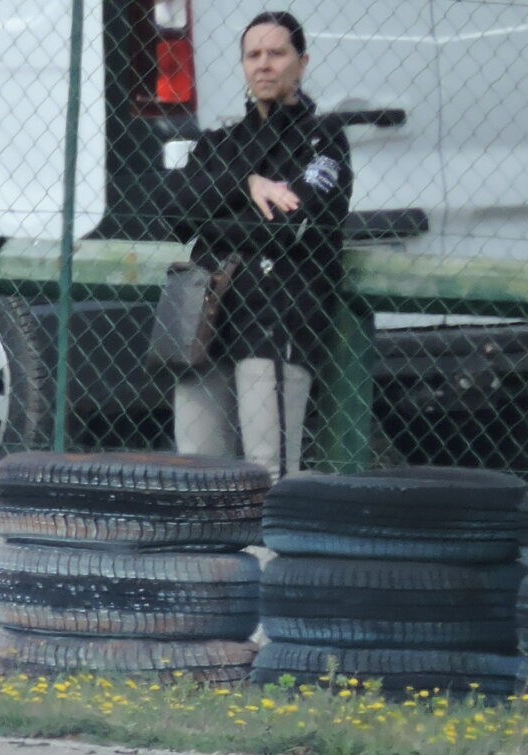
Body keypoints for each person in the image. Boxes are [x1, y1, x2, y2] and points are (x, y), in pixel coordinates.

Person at [164, 11, 350, 478]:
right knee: (197, 470)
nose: (264, 64)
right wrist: (246, 185)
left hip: (277, 316)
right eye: (253, 55)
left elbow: (292, 226)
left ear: (302, 62)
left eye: (277, 53)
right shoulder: (220, 142)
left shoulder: (323, 139)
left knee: (268, 474)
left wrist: (212, 218)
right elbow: (173, 211)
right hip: (203, 318)